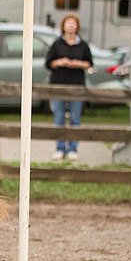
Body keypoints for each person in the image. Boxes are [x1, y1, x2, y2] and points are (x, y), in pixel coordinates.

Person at [44, 13, 93, 161]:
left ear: (77, 26)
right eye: (68, 22)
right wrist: (59, 62)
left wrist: (78, 63)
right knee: (59, 118)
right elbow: (48, 63)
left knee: (75, 119)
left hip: (76, 86)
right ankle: (60, 148)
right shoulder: (57, 44)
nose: (71, 25)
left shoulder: (83, 45)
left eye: (73, 23)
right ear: (63, 26)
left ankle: (73, 149)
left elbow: (90, 64)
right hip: (58, 85)